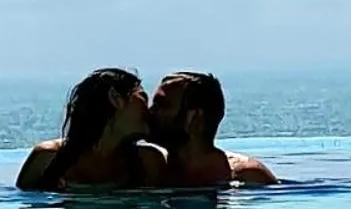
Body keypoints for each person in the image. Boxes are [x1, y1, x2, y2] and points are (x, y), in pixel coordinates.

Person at [16, 67, 169, 191]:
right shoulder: (47, 158)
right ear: (115, 98)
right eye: (143, 97)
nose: (148, 109)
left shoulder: (148, 161)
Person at [148, 71, 277, 187]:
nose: (150, 111)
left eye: (162, 105)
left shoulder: (248, 176)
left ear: (195, 118)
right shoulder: (149, 171)